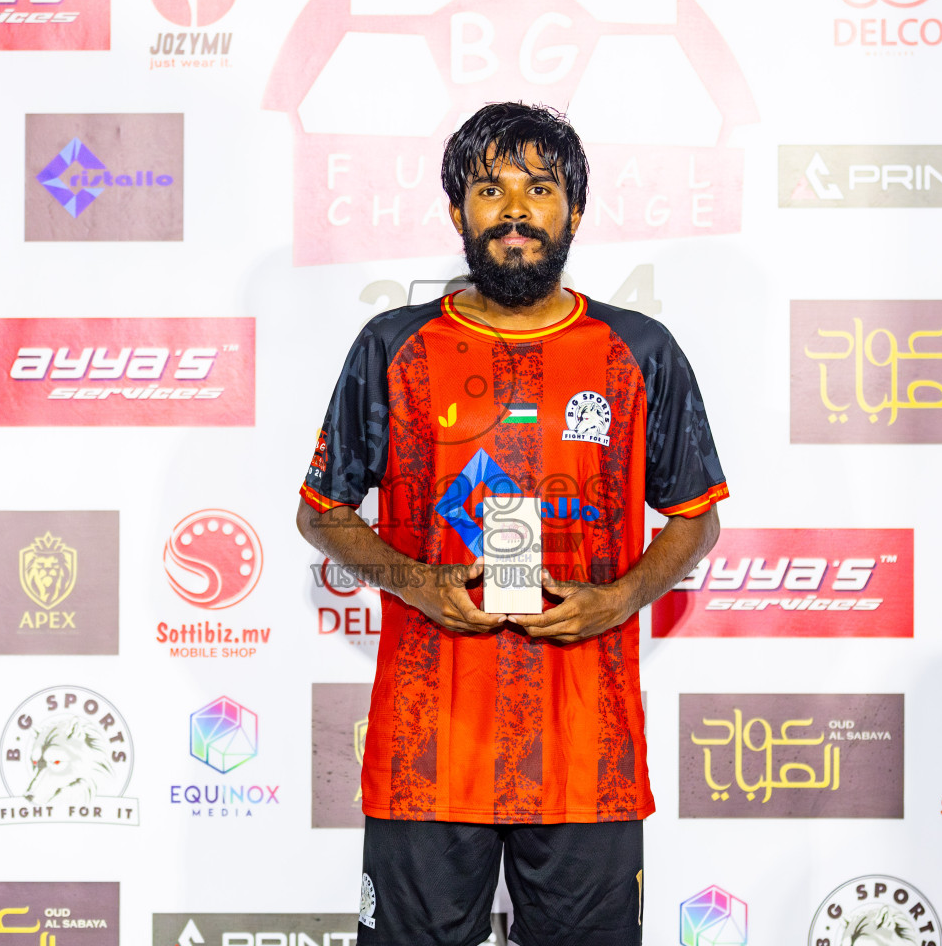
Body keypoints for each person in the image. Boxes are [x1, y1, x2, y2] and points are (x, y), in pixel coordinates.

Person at [295, 102, 727, 946]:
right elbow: (322, 514)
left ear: (574, 211)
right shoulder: (395, 346)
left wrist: (617, 599)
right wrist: (418, 583)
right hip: (428, 756)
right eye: (490, 190)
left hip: (586, 757)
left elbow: (694, 519)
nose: (516, 210)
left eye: (541, 187)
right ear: (459, 213)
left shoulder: (638, 350)